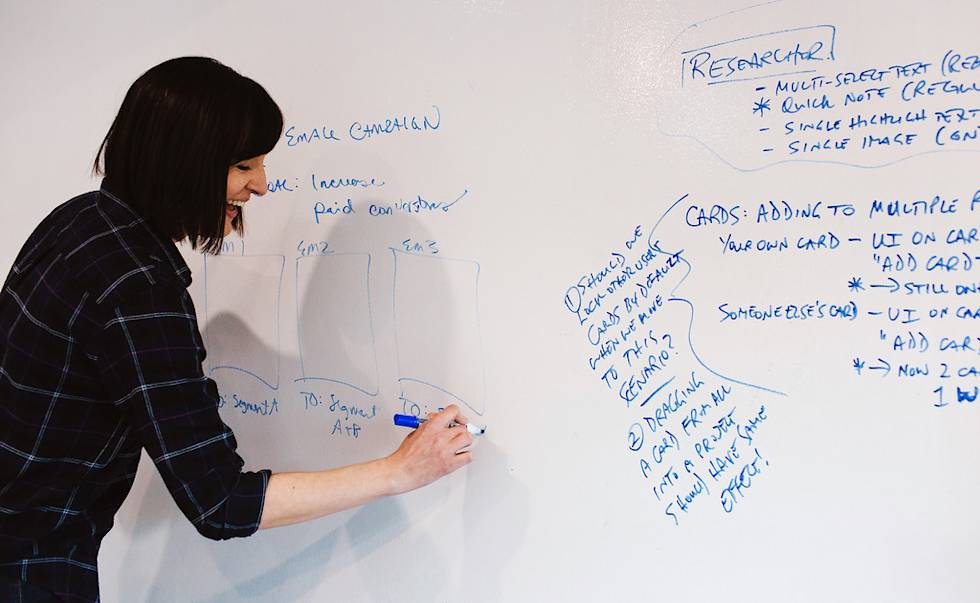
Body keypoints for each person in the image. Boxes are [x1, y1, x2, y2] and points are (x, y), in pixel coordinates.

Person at [0, 57, 474, 603]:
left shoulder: (80, 220)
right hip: (29, 569)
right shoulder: (139, 290)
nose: (263, 186)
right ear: (184, 162)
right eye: (244, 165)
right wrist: (399, 472)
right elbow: (220, 502)